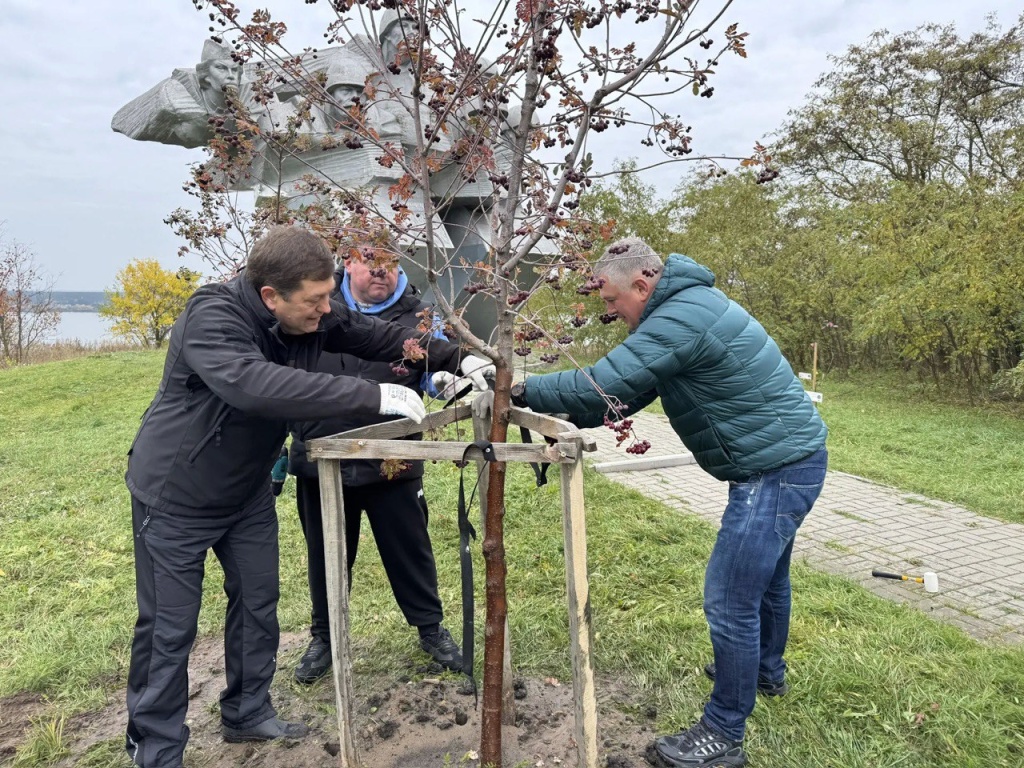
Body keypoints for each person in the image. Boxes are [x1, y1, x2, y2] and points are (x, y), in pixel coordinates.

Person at [123, 225, 491, 768]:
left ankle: (247, 712)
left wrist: (456, 357)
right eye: (316, 300)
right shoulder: (213, 317)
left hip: (246, 495)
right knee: (169, 628)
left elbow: (377, 337)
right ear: (271, 295)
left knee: (257, 605)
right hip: (176, 495)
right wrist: (370, 395)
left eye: (329, 296)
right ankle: (155, 749)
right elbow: (255, 384)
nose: (327, 309)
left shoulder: (307, 313)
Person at [509, 237, 828, 768]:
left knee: (729, 600)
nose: (610, 312)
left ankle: (723, 733)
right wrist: (560, 412)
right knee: (768, 580)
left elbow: (603, 381)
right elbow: (621, 396)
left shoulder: (680, 317)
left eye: (612, 301)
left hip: (774, 473)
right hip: (789, 460)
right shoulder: (685, 307)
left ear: (642, 284)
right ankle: (764, 671)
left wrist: (521, 389)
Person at [287, 243, 465, 684]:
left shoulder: (422, 316)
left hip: (394, 458)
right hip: (321, 456)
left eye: (390, 263)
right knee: (326, 553)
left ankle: (430, 628)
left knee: (410, 549)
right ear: (348, 263)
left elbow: (435, 371)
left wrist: (444, 380)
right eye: (371, 262)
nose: (381, 271)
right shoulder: (313, 308)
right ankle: (325, 636)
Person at [112, 40, 242, 149]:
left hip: (238, 150)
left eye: (235, 70)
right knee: (193, 129)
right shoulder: (179, 94)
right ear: (206, 75)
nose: (231, 76)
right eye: (221, 68)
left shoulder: (249, 94)